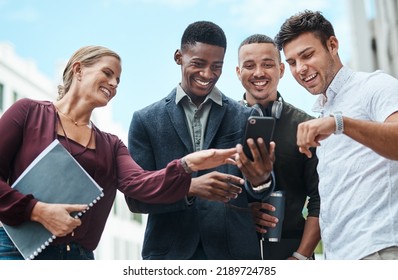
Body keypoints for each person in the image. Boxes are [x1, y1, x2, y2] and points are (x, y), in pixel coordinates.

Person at [0, 45, 245, 260]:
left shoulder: (111, 144)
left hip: (78, 258)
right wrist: (36, 210)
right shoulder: (28, 113)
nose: (114, 84)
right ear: (78, 70)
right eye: (107, 73)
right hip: (15, 251)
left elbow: (141, 184)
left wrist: (186, 165)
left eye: (118, 79)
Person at [126, 21, 275, 260]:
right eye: (198, 64)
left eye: (216, 66)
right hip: (169, 255)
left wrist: (261, 181)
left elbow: (259, 193)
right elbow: (136, 199)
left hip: (235, 256)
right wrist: (189, 189)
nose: (207, 74)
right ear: (178, 57)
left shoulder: (246, 116)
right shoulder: (146, 120)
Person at [275, 10, 398, 260]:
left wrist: (340, 123)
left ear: (332, 45)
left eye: (307, 55)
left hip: (379, 249)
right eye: (292, 62)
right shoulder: (324, 113)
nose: (300, 68)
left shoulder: (374, 85)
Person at [236, 34, 321, 260]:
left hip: (293, 254)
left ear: (281, 70)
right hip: (237, 254)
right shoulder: (223, 124)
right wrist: (241, 213)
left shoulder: (307, 126)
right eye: (249, 65)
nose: (259, 73)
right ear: (238, 72)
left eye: (267, 64)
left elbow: (321, 199)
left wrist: (301, 256)